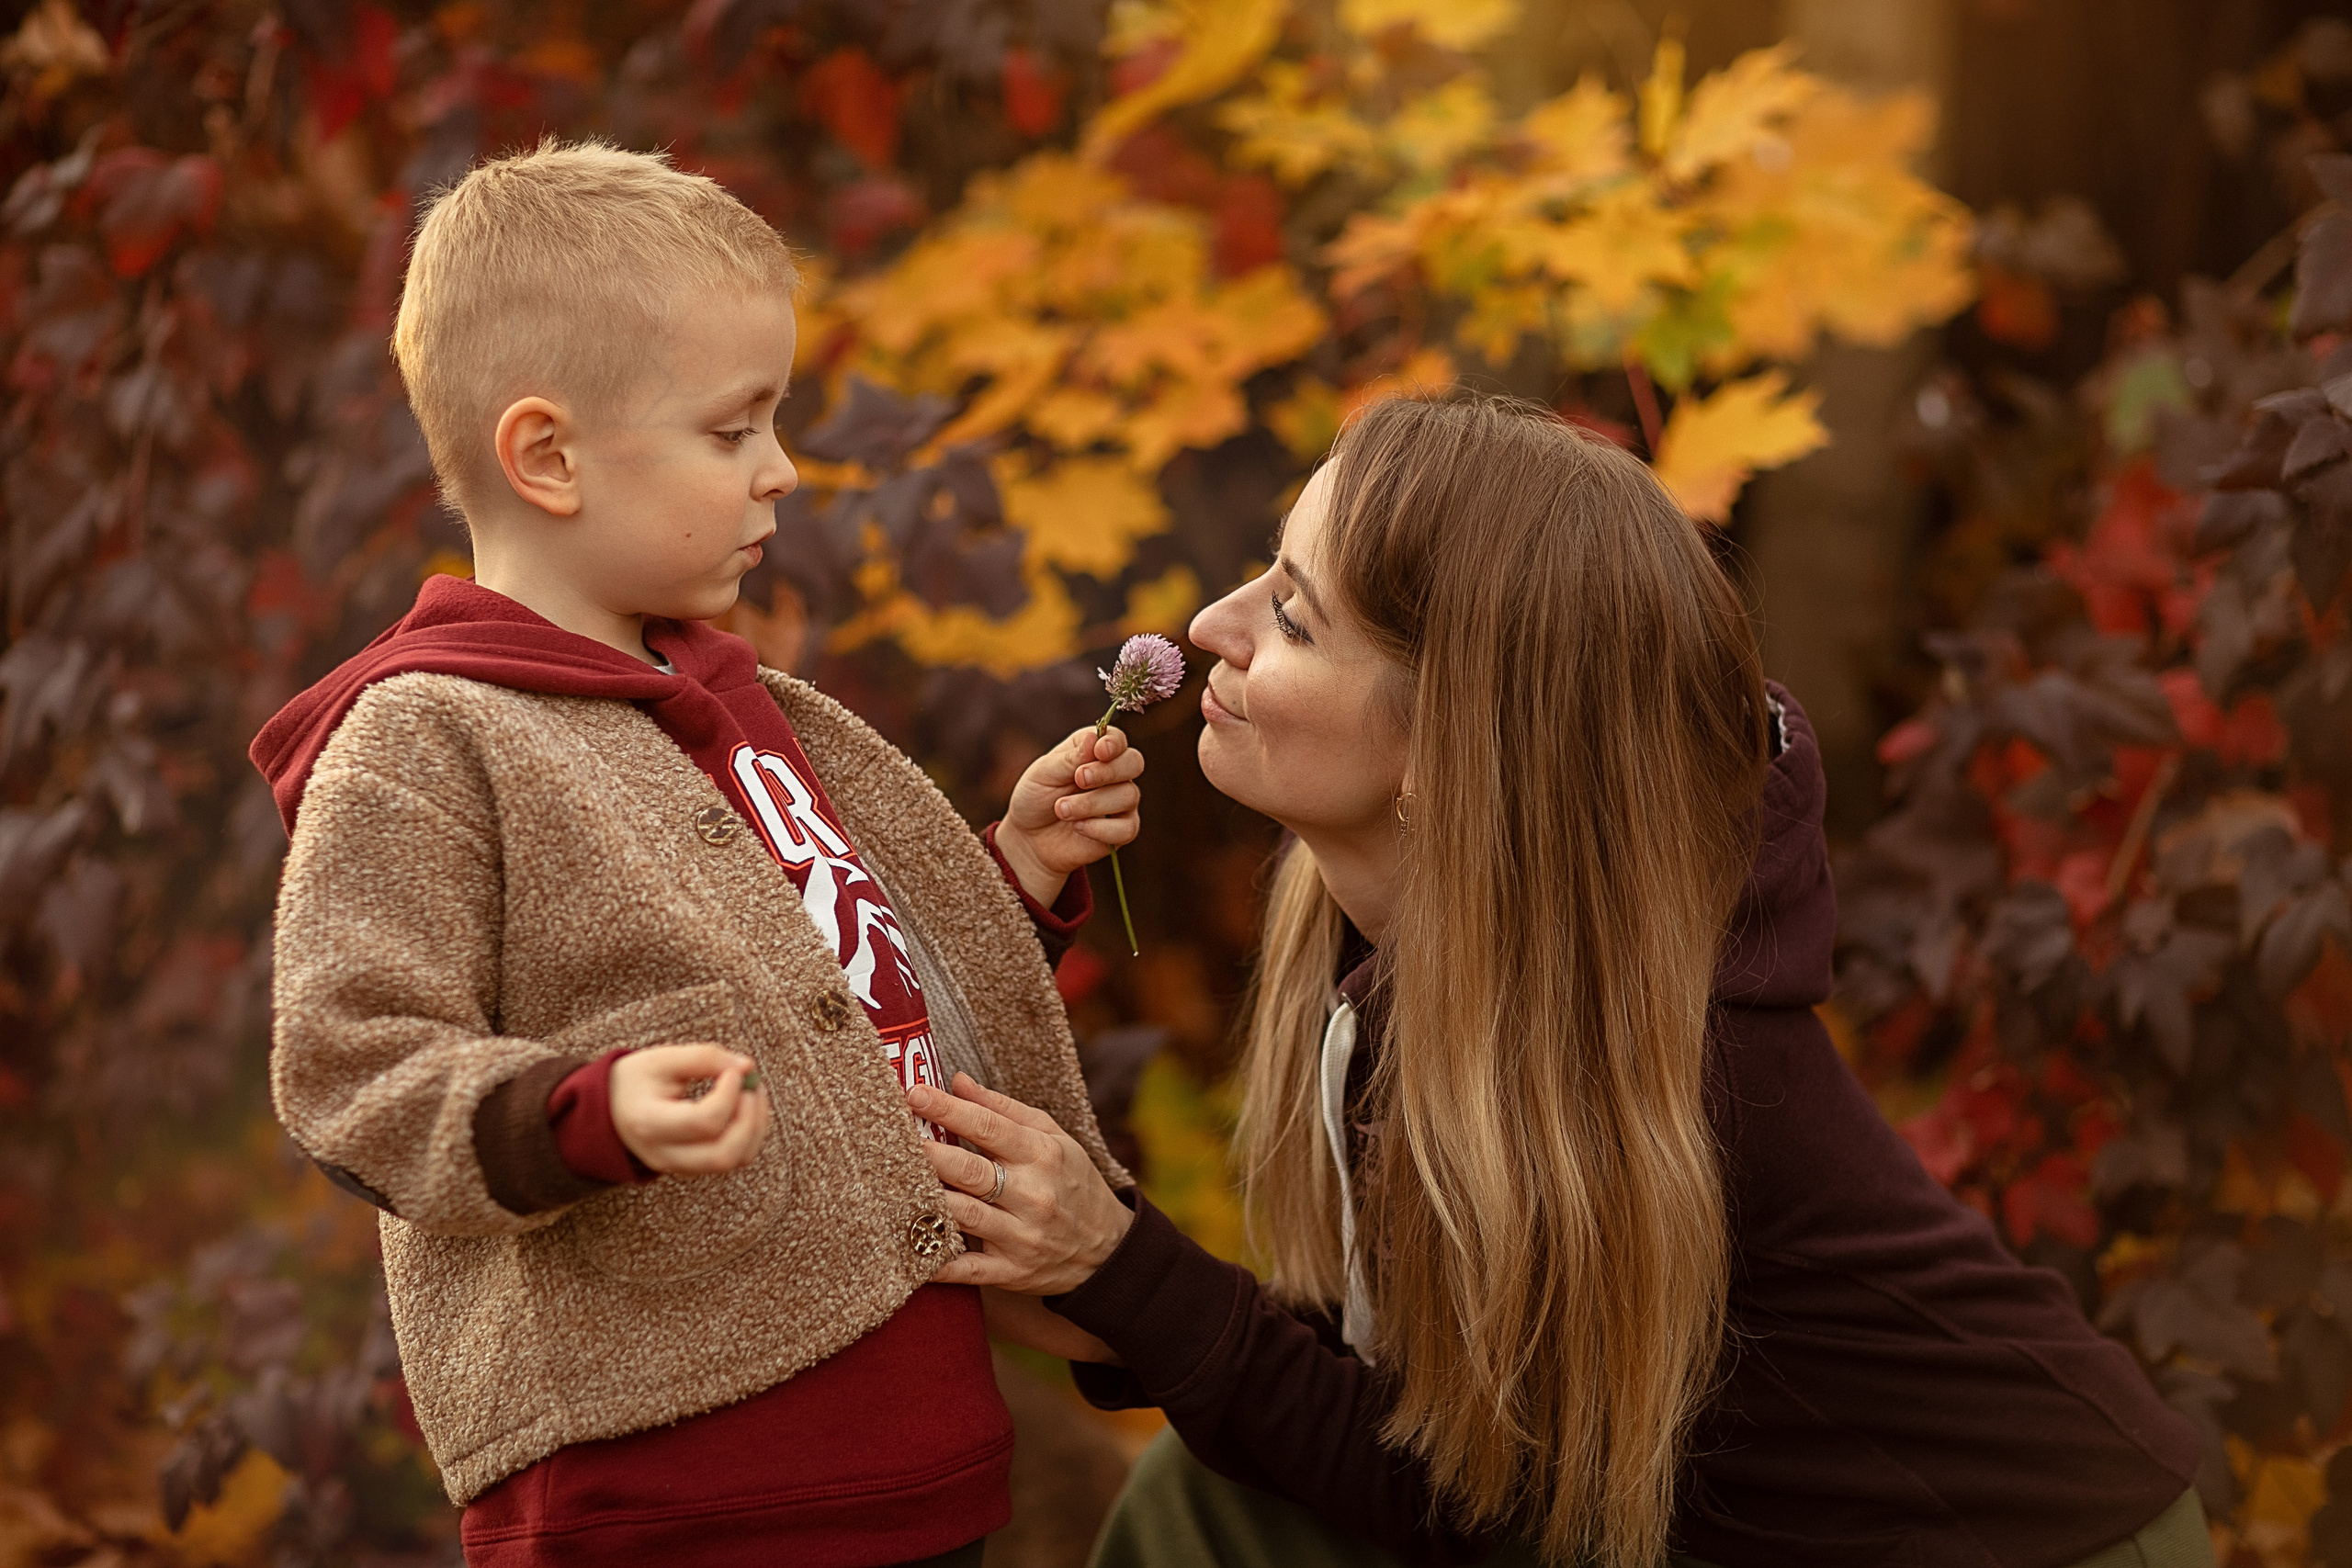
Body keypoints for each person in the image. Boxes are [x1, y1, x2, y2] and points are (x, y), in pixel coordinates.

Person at [904, 393, 2212, 1568]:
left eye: (1294, 616)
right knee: (1207, 1499)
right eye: (1267, 574)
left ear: (1452, 744)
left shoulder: (1667, 1056)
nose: (1210, 628)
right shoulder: (1400, 948)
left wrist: (1136, 1276)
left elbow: (1483, 1514)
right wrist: (1112, 1294)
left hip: (2019, 1543)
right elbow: (1405, 1386)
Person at [249, 141, 1144, 1568]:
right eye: (733, 431)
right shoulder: (425, 740)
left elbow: (842, 996)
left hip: (924, 1463)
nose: (781, 471)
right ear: (545, 455)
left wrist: (1013, 877)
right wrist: (584, 1114)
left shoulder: (746, 711)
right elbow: (351, 1069)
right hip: (673, 1494)